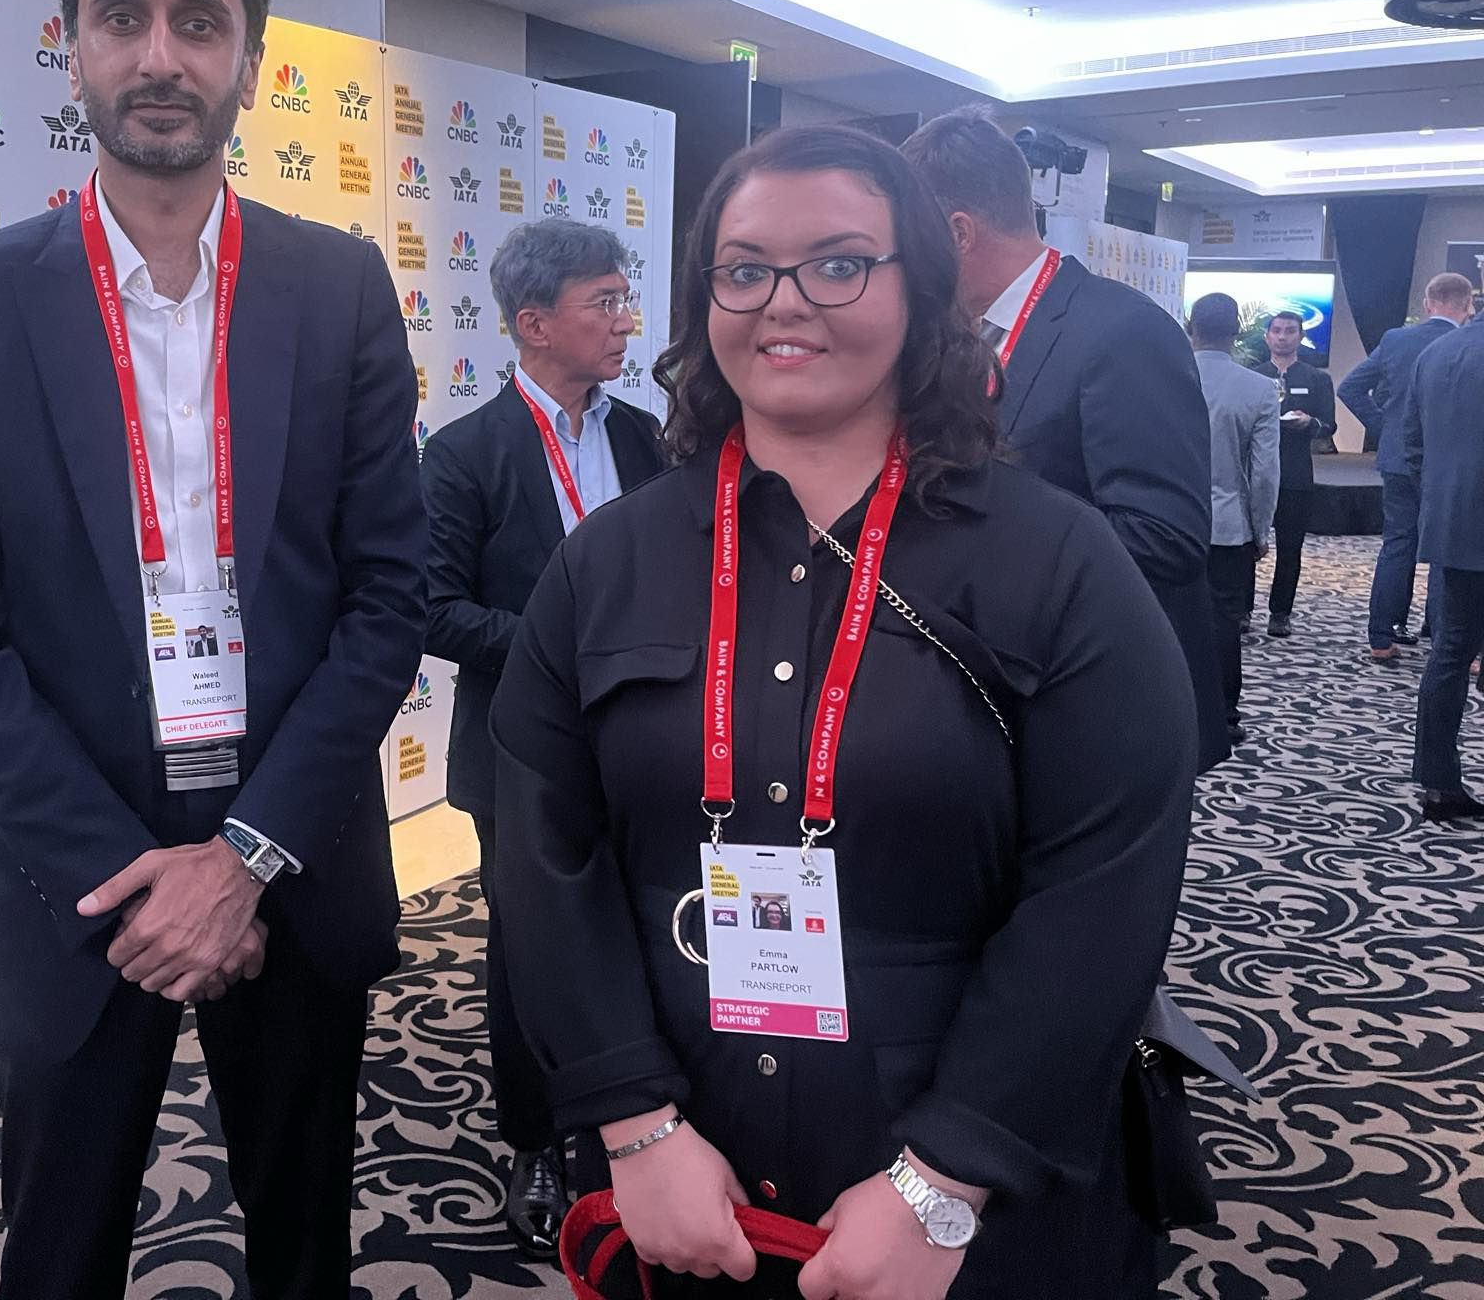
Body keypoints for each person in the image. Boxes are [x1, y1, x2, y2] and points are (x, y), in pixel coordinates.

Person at [492, 125, 1195, 1299]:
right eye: (744, 267)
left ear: (920, 287)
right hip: (681, 1160)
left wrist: (945, 1178)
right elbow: (543, 855)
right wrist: (633, 1126)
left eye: (838, 263)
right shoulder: (609, 562)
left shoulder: (1052, 559)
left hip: (964, 1164)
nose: (785, 302)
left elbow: (1105, 883)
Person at [0, 0, 427, 1297]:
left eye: (200, 21)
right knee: (57, 1250)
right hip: (66, 868)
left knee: (304, 1240)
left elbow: (388, 595)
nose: (160, 55)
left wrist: (241, 858)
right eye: (123, 18)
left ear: (250, 56)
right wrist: (131, 880)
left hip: (294, 850)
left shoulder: (340, 287)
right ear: (72, 44)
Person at [420, 219, 666, 1255]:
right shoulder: (463, 453)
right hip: (523, 752)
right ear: (533, 324)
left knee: (647, 935)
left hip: (650, 744)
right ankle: (535, 1139)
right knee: (531, 955)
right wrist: (570, 648)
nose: (625, 321)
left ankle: (645, 1117)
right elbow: (429, 607)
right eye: (603, 302)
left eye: (624, 298)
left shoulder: (646, 438)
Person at [902, 106, 1227, 772]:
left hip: (1105, 708)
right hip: (995, 699)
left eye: (905, 241)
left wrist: (967, 563)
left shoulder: (1121, 332)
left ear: (955, 233)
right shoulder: (952, 340)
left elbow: (1165, 537)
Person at [1338, 272, 1472, 662]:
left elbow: (1349, 388)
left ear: (1428, 303)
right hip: (1454, 465)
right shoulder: (1468, 345)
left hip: (1398, 459)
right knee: (1448, 548)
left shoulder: (1397, 340)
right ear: (1468, 305)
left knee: (1398, 543)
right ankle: (1443, 634)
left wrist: (1387, 430)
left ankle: (1381, 636)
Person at [1401, 310, 1484, 823]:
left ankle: (1437, 783)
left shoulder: (1436, 353)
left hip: (1453, 525)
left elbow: (1411, 445)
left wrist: (1442, 501)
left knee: (1450, 653)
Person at [1190, 293, 1280, 747]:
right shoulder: (1259, 389)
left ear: (1191, 326)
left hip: (1164, 519)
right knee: (1223, 620)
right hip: (1227, 525)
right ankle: (1223, 716)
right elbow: (1264, 472)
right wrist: (1261, 530)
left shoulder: (1163, 377)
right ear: (1236, 333)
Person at [1248, 310, 1335, 636]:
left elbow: (1329, 425)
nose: (1283, 336)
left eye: (1290, 331)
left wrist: (1309, 423)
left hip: (1296, 473)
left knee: (1290, 547)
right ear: (1267, 336)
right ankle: (1242, 610)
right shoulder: (1253, 376)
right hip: (1255, 472)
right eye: (1277, 331)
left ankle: (1280, 613)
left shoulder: (1316, 378)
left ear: (1300, 336)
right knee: (1245, 546)